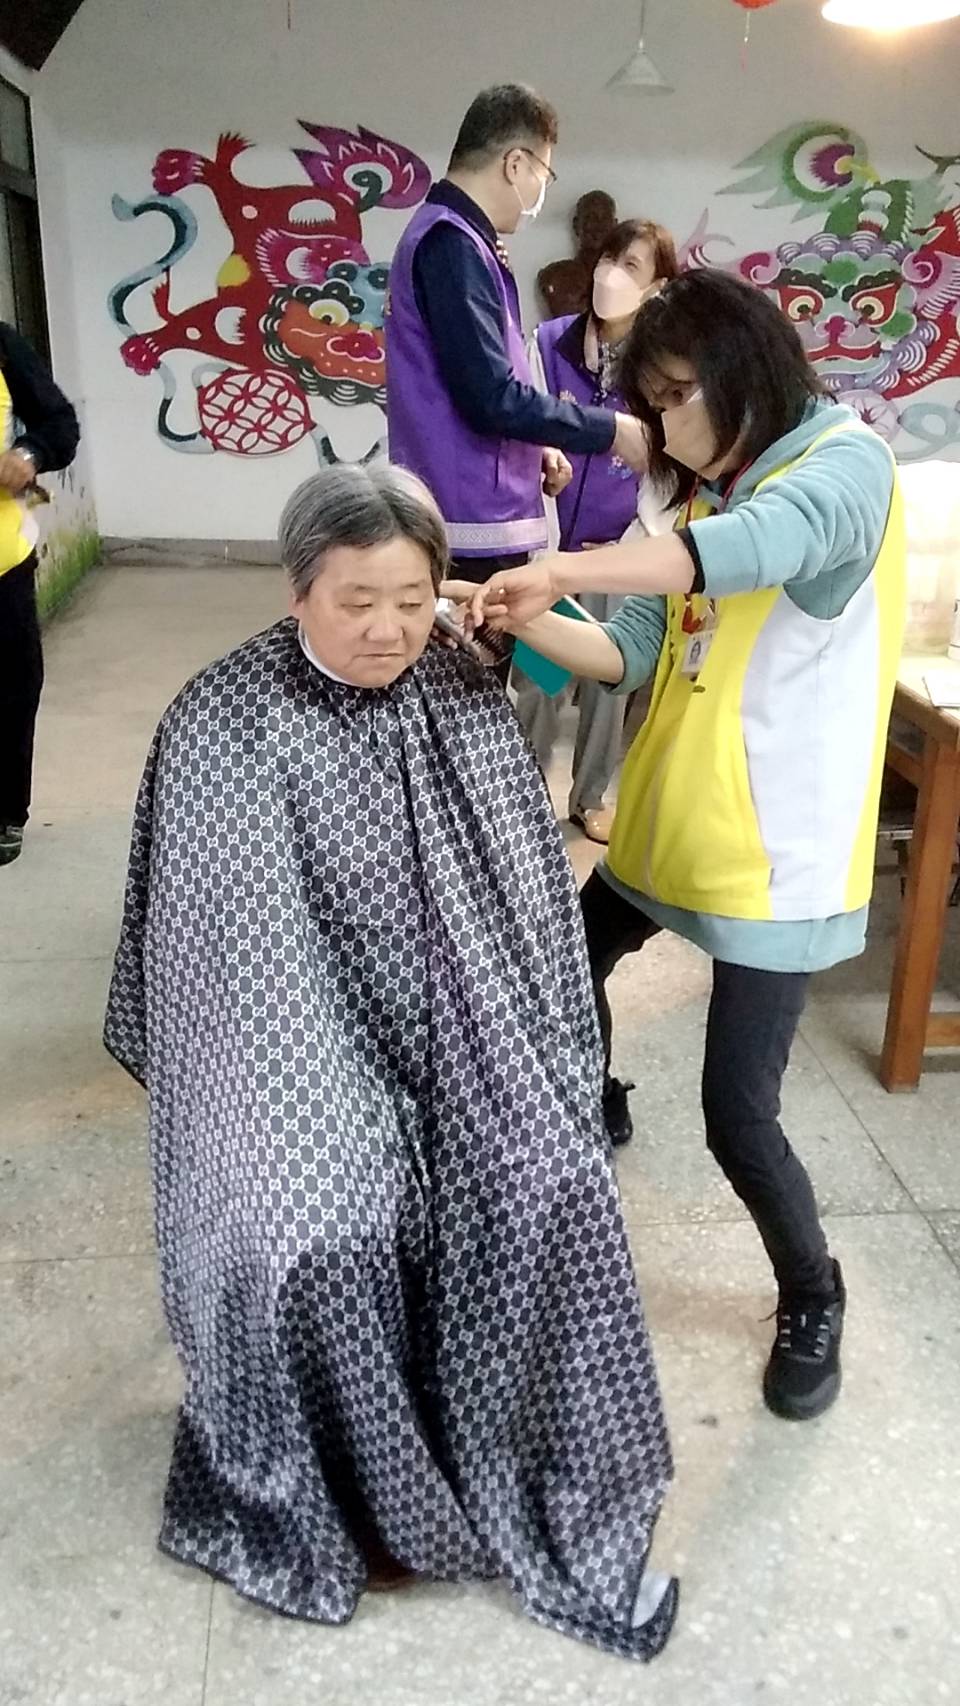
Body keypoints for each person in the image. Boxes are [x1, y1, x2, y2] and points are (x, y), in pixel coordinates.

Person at [103, 462, 677, 1661]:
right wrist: (333, 1095)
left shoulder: (462, 684)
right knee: (320, 1222)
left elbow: (523, 906)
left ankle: (497, 1440)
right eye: (357, 600)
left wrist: (515, 1059)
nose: (388, 628)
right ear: (296, 589)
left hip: (463, 1026)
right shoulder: (223, 720)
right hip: (290, 1044)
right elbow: (233, 971)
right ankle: (353, 1479)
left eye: (414, 599)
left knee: (550, 1175)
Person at [447, 270, 907, 1424]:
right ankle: (597, 1090)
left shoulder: (843, 467)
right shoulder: (704, 501)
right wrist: (519, 607)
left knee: (737, 1114)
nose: (665, 427)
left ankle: (814, 1292)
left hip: (774, 853)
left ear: (748, 370)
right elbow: (627, 652)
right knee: (567, 965)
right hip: (672, 822)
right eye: (649, 404)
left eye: (676, 395)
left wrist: (565, 564)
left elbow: (749, 551)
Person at [385, 85, 649, 639]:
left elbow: (478, 377)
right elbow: (490, 396)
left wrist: (533, 446)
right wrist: (612, 430)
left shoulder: (467, 243)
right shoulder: (452, 244)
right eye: (543, 175)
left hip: (478, 510)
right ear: (515, 164)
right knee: (467, 678)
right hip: (467, 524)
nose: (539, 194)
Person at [516, 218, 679, 844]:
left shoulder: (660, 366)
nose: (612, 274)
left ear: (657, 286)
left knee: (610, 684)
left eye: (632, 266)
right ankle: (523, 798)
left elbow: (664, 465)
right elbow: (523, 426)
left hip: (620, 551)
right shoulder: (550, 342)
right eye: (610, 258)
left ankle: (589, 797)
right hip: (552, 547)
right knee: (539, 681)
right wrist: (542, 464)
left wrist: (634, 543)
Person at [0, 322, 80, 867]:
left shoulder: (2, 347)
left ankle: (6, 812)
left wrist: (28, 454)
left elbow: (59, 424)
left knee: (10, 687)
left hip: (2, 559)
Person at [536, 189, 618, 319]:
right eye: (590, 218)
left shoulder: (628, 279)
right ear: (576, 225)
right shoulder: (554, 276)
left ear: (615, 226)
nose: (598, 226)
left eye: (605, 219)